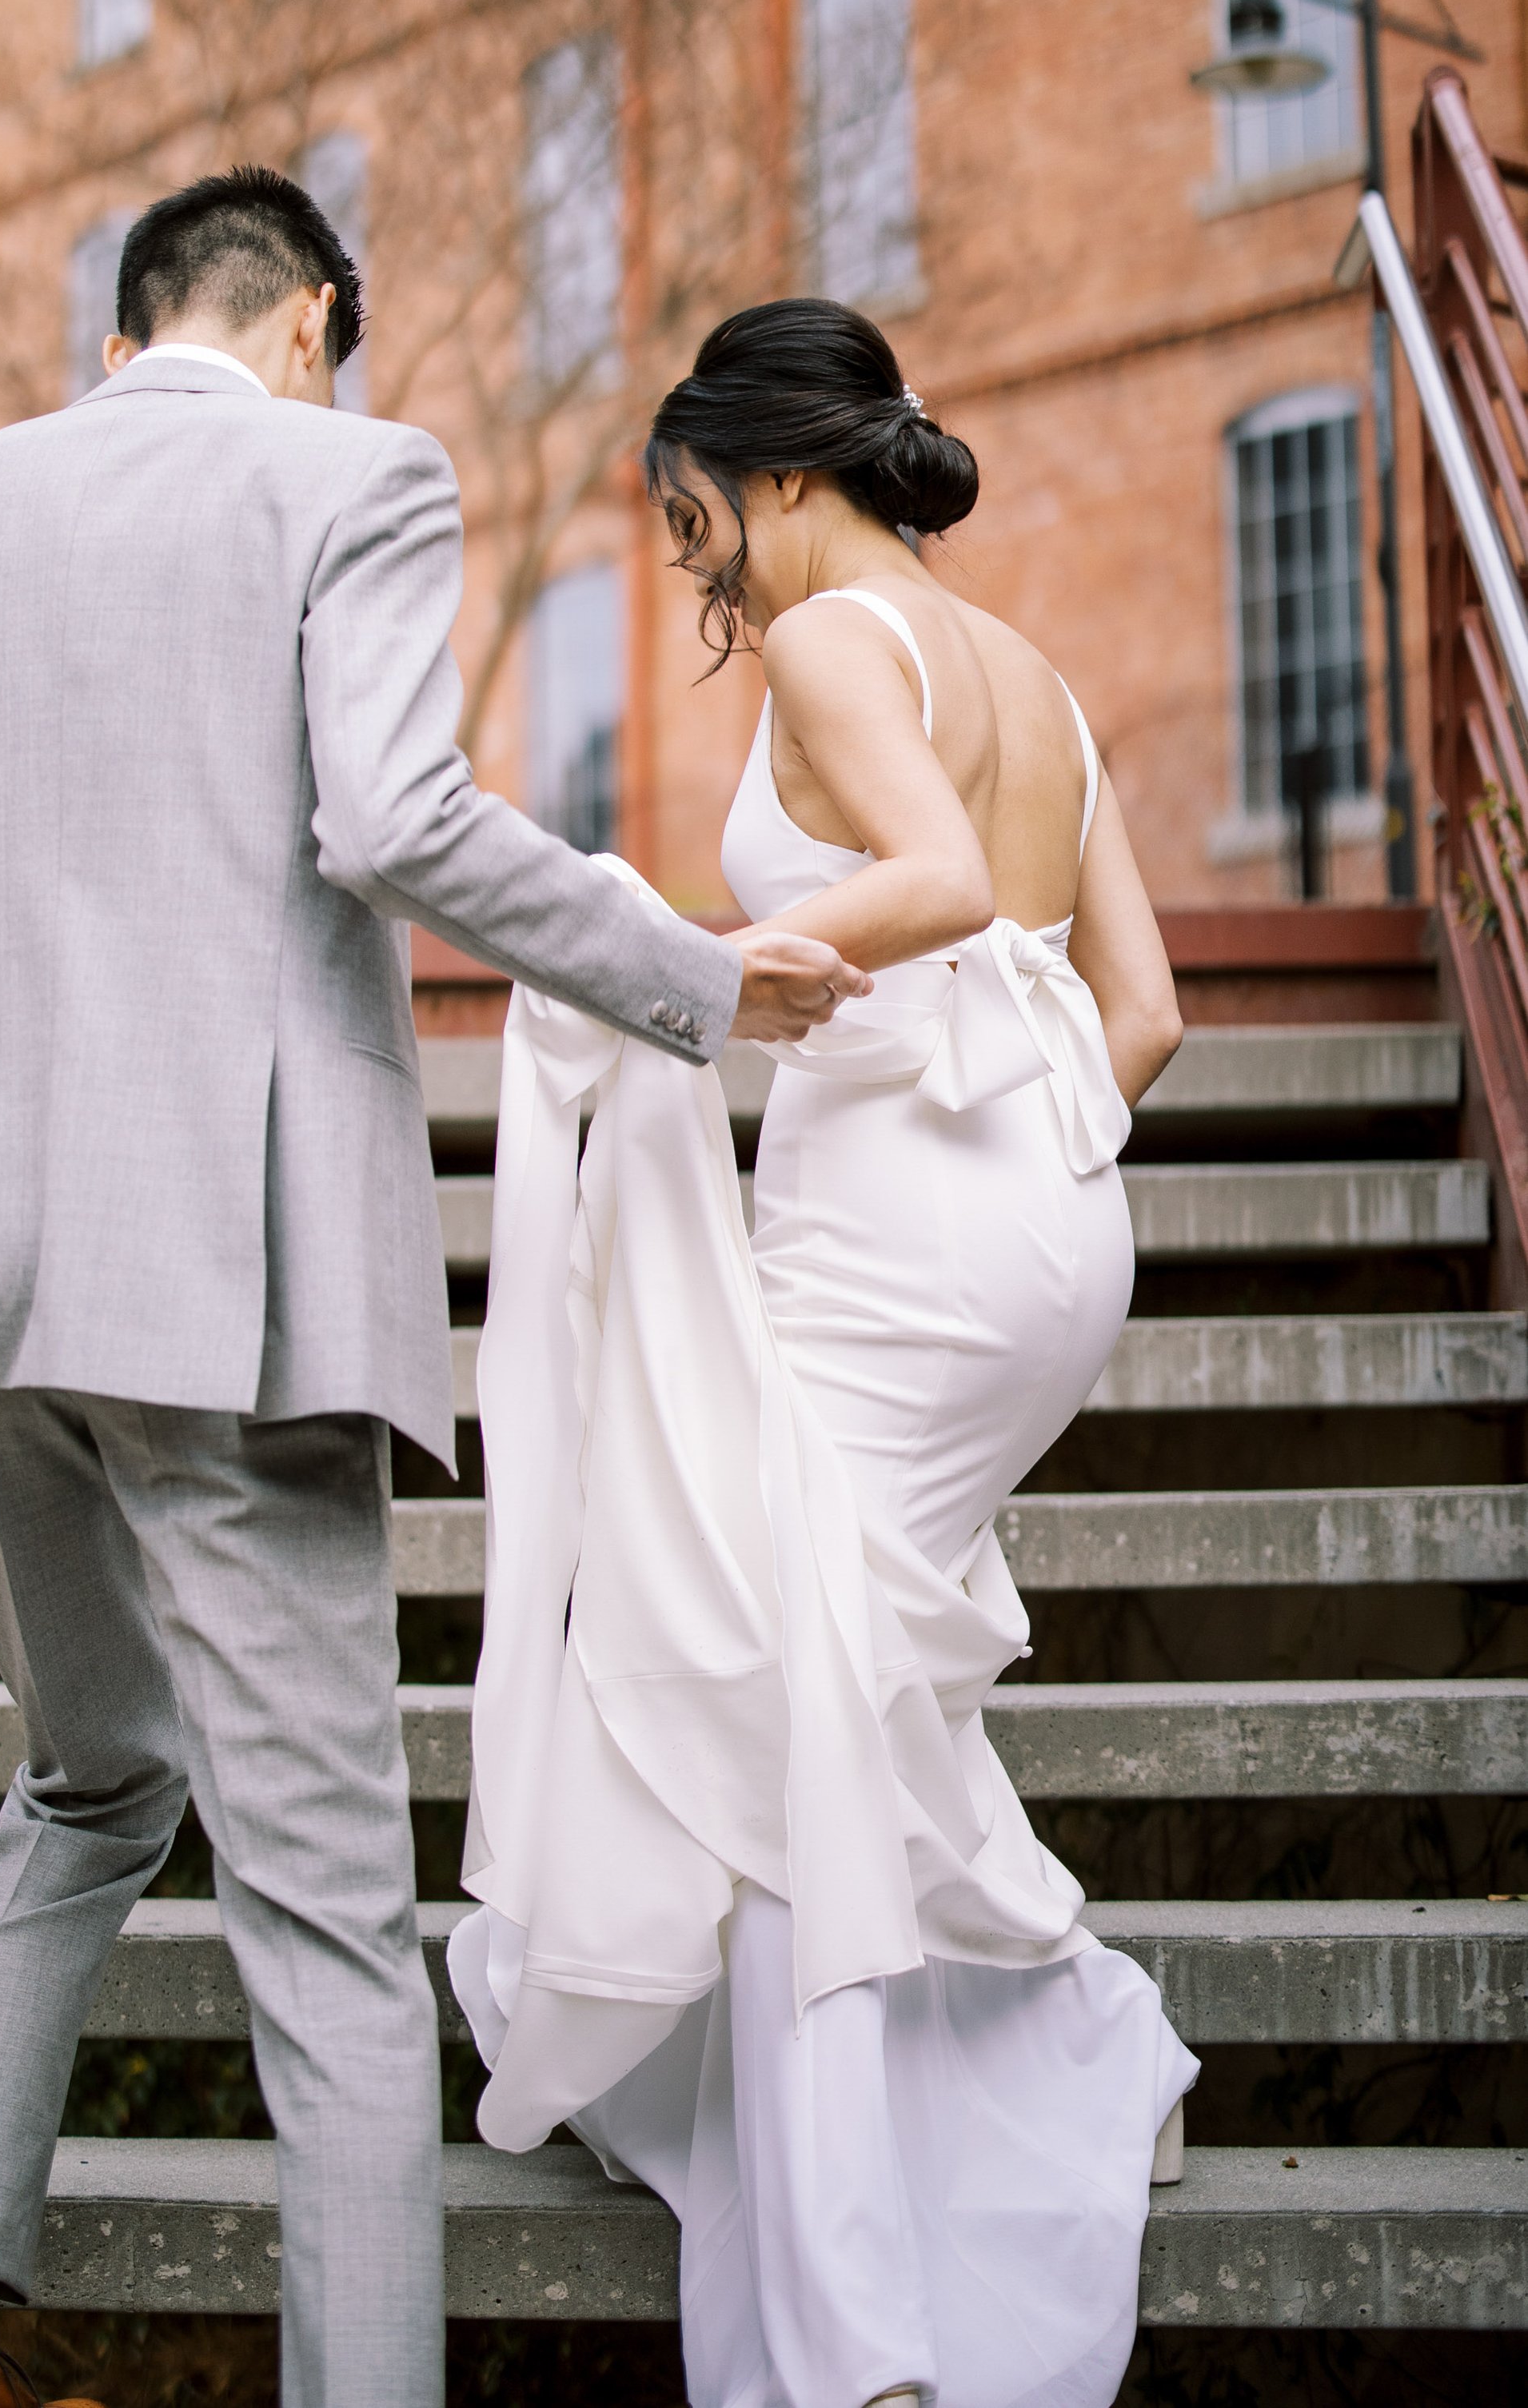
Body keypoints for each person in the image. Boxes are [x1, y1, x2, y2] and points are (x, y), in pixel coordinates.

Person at [0, 175, 861, 2408]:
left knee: (88, 1781)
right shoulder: (352, 470)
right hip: (226, 1291)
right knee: (334, 1928)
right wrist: (682, 970)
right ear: (313, 324)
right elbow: (386, 814)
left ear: (127, 323)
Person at [450, 298, 1199, 2408]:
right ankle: (1069, 2055)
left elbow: (938, 884)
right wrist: (1006, 1166)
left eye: (699, 520)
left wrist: (678, 972)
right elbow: (1131, 1016)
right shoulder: (1033, 677)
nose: (707, 569)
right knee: (832, 1689)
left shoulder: (832, 642)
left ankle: (851, 2333)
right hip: (1048, 1225)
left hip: (897, 1244)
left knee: (770, 1717)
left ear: (773, 468)